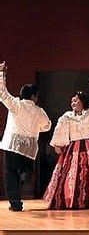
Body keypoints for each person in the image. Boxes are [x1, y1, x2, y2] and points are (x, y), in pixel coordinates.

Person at [43, 77, 89, 210]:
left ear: (82, 101)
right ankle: (71, 199)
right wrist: (57, 144)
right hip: (73, 148)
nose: (73, 103)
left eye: (75, 100)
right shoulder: (67, 116)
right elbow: (60, 129)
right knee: (71, 175)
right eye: (71, 101)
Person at [0, 62, 51, 211]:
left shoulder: (16, 104)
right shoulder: (39, 111)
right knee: (22, 172)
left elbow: (2, 93)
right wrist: (35, 128)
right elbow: (47, 125)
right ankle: (23, 179)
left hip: (13, 144)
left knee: (10, 173)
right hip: (28, 147)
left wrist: (1, 74)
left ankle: (15, 202)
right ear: (34, 96)